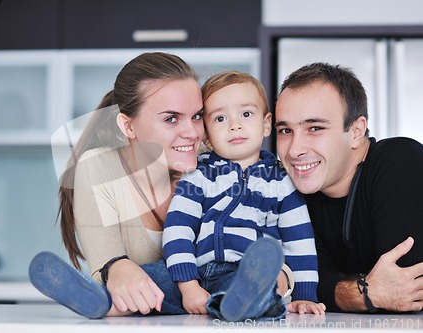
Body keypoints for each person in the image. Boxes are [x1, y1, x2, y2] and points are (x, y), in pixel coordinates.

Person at [29, 51, 206, 318]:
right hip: (151, 317)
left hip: (204, 313)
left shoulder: (212, 165)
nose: (193, 133)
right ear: (128, 126)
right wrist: (116, 267)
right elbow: (106, 261)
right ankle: (105, 299)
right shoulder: (98, 167)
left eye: (197, 116)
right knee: (129, 278)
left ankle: (107, 301)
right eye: (171, 118)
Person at [162, 71, 326, 322]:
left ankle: (241, 302)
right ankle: (104, 299)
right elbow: (178, 229)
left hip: (242, 273)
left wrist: (304, 296)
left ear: (266, 123)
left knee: (250, 287)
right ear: (206, 132)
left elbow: (299, 241)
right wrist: (188, 285)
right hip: (191, 273)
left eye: (246, 114)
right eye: (220, 118)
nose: (234, 125)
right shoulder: (197, 176)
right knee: (149, 280)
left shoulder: (282, 182)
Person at [274, 62, 423, 313]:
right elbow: (299, 285)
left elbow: (406, 290)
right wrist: (364, 293)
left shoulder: (399, 159)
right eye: (286, 130)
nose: (295, 150)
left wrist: (343, 290)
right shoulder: (288, 189)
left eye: (315, 128)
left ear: (356, 131)